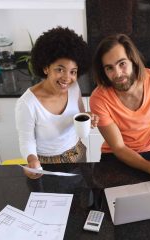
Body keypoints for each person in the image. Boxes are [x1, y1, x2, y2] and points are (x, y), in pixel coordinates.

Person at [89, 33, 150, 185]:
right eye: (109, 68)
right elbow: (118, 147)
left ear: (133, 60)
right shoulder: (99, 98)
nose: (118, 73)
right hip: (114, 155)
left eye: (122, 64)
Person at [15, 26, 98, 179]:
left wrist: (88, 116)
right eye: (60, 69)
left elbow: (79, 113)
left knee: (81, 200)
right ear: (46, 67)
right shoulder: (27, 103)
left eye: (73, 71)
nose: (67, 78)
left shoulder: (74, 88)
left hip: (77, 153)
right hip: (46, 164)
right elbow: (26, 139)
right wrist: (32, 161)